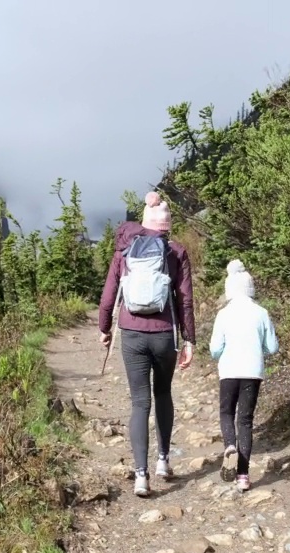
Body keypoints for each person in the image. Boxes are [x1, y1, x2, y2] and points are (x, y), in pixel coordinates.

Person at [98, 192, 196, 498]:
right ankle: (163, 461)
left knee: (140, 403)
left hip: (132, 334)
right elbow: (186, 300)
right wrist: (189, 339)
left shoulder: (124, 250)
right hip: (165, 334)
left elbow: (109, 294)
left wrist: (104, 329)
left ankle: (141, 476)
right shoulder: (176, 251)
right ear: (168, 224)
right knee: (163, 393)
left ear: (144, 221)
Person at [209, 267, 279, 492]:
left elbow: (214, 349)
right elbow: (272, 347)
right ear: (251, 289)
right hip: (252, 372)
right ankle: (243, 476)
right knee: (245, 421)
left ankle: (229, 445)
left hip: (229, 371)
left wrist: (222, 354)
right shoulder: (262, 312)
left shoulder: (223, 314)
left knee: (226, 412)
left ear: (229, 289)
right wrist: (258, 349)